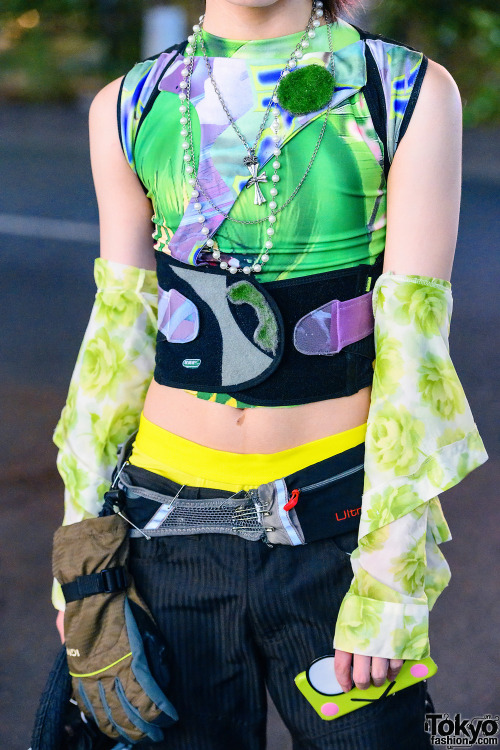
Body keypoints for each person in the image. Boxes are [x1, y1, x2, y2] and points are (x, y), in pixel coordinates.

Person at [51, 0, 488, 747]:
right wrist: (80, 545)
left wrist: (390, 584)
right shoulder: (128, 103)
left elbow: (416, 348)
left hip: (333, 529)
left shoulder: (402, 88)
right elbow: (119, 331)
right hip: (164, 529)